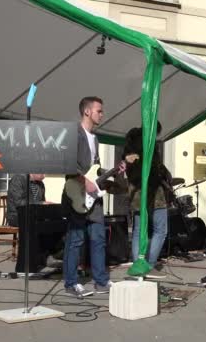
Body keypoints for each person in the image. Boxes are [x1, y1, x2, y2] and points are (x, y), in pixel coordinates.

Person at [61, 96, 123, 297]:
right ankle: (71, 283)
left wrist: (114, 170)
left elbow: (94, 171)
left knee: (98, 239)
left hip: (93, 198)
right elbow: (67, 163)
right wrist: (83, 181)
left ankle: (100, 281)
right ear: (87, 111)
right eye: (99, 111)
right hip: (76, 195)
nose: (102, 114)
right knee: (76, 240)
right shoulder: (73, 134)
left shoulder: (95, 138)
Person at [122, 121, 172, 279]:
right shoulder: (149, 142)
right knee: (160, 230)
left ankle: (138, 264)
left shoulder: (131, 140)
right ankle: (149, 264)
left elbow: (128, 162)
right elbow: (154, 167)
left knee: (138, 230)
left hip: (136, 189)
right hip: (152, 188)